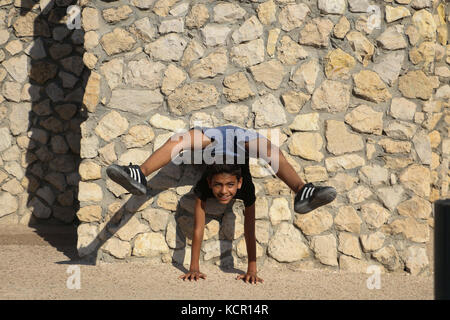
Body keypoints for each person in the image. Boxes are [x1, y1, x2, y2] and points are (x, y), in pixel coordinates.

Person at [106, 125, 337, 284]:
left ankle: (302, 190)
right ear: (210, 182)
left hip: (230, 137)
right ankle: (139, 173)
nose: (224, 192)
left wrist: (252, 269)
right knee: (179, 140)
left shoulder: (243, 189)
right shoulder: (210, 188)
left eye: (229, 187)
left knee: (268, 151)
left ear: (239, 183)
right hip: (222, 137)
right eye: (218, 186)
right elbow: (198, 228)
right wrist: (193, 267)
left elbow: (249, 230)